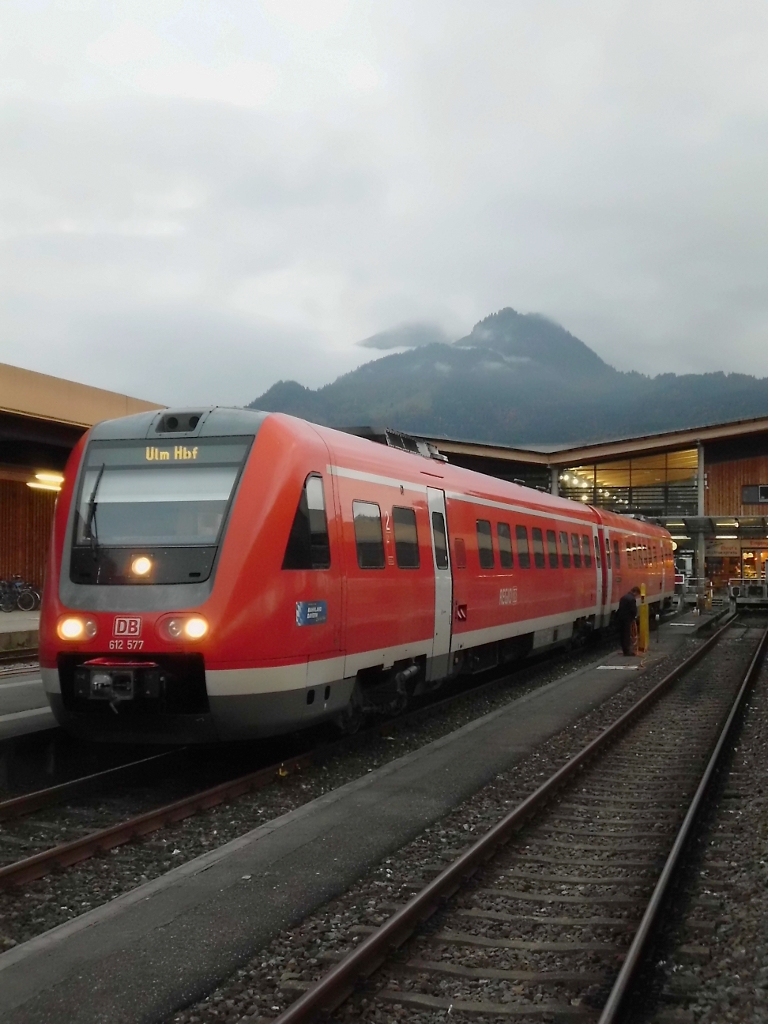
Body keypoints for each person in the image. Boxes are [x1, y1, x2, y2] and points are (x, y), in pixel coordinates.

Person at [616, 586, 641, 656]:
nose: (636, 596)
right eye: (637, 594)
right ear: (635, 592)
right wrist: (634, 618)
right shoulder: (632, 599)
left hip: (621, 618)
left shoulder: (623, 597)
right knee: (627, 635)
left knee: (622, 635)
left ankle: (624, 649)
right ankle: (627, 651)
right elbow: (633, 610)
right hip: (627, 619)